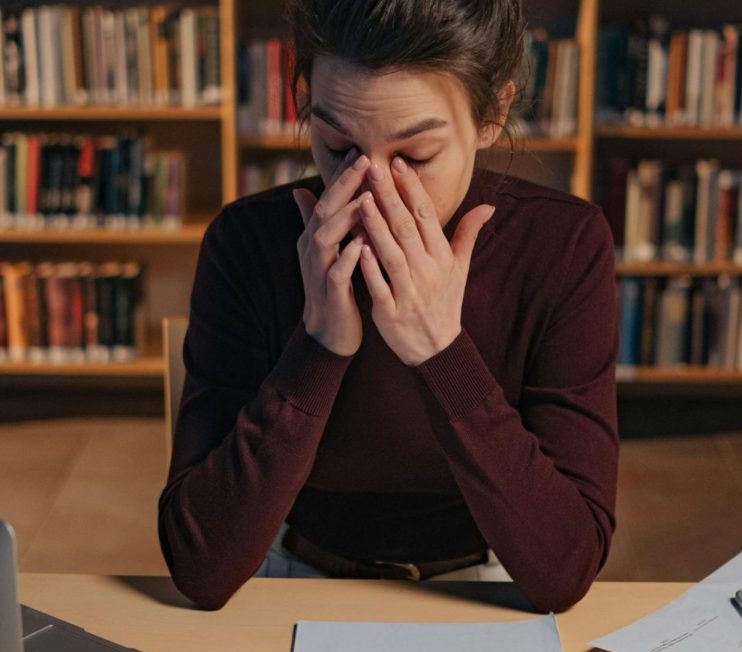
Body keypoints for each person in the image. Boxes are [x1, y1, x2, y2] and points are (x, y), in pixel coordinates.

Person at [158, 0, 619, 612]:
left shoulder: (563, 245)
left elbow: (565, 569)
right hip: (291, 571)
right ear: (305, 102)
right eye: (337, 145)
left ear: (493, 114)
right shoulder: (247, 241)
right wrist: (317, 349)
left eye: (416, 156)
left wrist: (441, 352)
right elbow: (202, 567)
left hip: (487, 583)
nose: (372, 192)